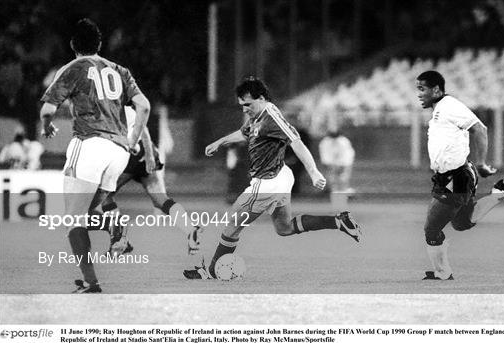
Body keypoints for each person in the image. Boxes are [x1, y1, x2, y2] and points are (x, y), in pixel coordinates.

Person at [183, 77, 363, 279]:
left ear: (260, 98)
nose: (244, 109)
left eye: (248, 104)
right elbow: (245, 133)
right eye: (242, 105)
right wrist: (220, 142)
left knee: (232, 225)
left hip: (267, 184)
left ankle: (211, 271)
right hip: (279, 178)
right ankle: (339, 222)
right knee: (284, 228)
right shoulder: (258, 116)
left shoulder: (271, 116)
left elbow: (296, 142)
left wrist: (313, 172)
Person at [40, 19, 150, 293]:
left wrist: (46, 126)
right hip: (118, 151)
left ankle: (91, 281)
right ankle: (116, 225)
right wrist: (132, 140)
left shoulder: (73, 68)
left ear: (73, 46)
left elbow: (46, 111)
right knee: (91, 211)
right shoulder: (119, 70)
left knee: (72, 220)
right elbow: (144, 106)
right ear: (99, 44)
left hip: (89, 144)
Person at [416, 70, 504, 281]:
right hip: (446, 177)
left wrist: (482, 163)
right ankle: (500, 192)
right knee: (461, 223)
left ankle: (443, 272)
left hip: (457, 177)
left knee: (431, 229)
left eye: (422, 89)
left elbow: (480, 129)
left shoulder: (450, 106)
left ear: (436, 89)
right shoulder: (439, 110)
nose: (419, 94)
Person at [99, 106, 202, 256]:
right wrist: (149, 155)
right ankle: (190, 229)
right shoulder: (126, 107)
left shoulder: (105, 108)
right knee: (160, 199)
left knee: (105, 196)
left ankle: (120, 240)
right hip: (145, 150)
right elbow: (143, 128)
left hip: (129, 153)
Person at [319, 129, 356, 208]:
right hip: (330, 165)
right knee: (333, 183)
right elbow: (325, 156)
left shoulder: (344, 142)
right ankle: (336, 204)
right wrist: (331, 166)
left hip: (344, 165)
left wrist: (342, 166)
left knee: (343, 181)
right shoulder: (325, 142)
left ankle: (343, 203)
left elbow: (348, 156)